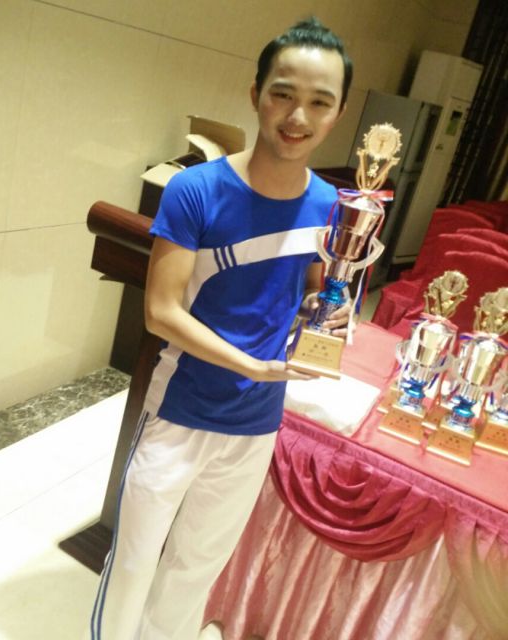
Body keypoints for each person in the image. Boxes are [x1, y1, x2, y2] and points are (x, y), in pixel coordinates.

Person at [91, 17, 353, 640]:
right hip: (179, 410)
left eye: (320, 102)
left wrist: (331, 313)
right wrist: (252, 365)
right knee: (133, 564)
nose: (298, 116)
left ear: (338, 113)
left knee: (195, 569)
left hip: (257, 424)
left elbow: (314, 290)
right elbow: (161, 311)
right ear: (257, 92)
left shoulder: (332, 207)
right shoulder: (196, 190)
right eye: (283, 93)